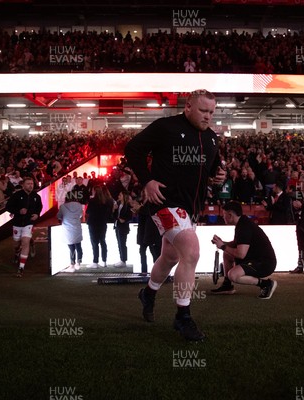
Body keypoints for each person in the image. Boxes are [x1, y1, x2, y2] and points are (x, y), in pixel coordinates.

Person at [125, 89, 225, 341]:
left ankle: (148, 293)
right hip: (165, 203)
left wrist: (219, 175)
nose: (208, 117)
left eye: (212, 112)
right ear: (188, 107)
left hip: (190, 209)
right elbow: (133, 149)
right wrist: (147, 181)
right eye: (203, 111)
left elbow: (213, 168)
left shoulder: (212, 138)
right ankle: (183, 317)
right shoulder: (165, 127)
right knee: (191, 251)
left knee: (170, 256)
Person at [210, 201, 277, 298]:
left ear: (230, 215)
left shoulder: (244, 227)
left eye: (224, 215)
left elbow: (241, 254)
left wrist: (223, 246)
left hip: (264, 264)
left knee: (233, 275)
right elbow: (236, 244)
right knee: (227, 254)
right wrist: (222, 243)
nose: (222, 217)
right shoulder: (242, 223)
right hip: (258, 260)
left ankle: (266, 284)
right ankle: (227, 285)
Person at [5, 177, 43, 277]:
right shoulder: (16, 195)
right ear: (23, 185)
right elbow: (8, 207)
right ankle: (17, 252)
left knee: (24, 242)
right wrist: (18, 211)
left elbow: (39, 207)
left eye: (32, 184)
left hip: (29, 222)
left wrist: (37, 214)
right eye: (28, 184)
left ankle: (21, 267)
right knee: (16, 244)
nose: (31, 185)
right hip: (17, 223)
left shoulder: (36, 196)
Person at [85, 185, 114, 268]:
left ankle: (95, 261)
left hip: (93, 223)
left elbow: (88, 211)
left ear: (94, 191)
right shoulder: (105, 202)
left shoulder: (92, 201)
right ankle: (104, 261)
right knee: (102, 241)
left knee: (94, 243)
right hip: (102, 223)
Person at [57, 190, 84, 272]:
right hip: (77, 228)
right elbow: (80, 215)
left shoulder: (63, 206)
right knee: (78, 246)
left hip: (67, 229)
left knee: (71, 248)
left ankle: (72, 264)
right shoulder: (79, 205)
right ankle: (78, 263)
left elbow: (59, 216)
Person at [113, 190, 133, 268]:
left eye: (120, 195)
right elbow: (114, 216)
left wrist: (124, 220)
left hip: (123, 227)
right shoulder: (118, 204)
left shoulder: (127, 206)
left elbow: (130, 216)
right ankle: (121, 259)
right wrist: (114, 210)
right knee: (119, 243)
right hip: (117, 225)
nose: (119, 196)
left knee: (122, 243)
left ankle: (124, 260)